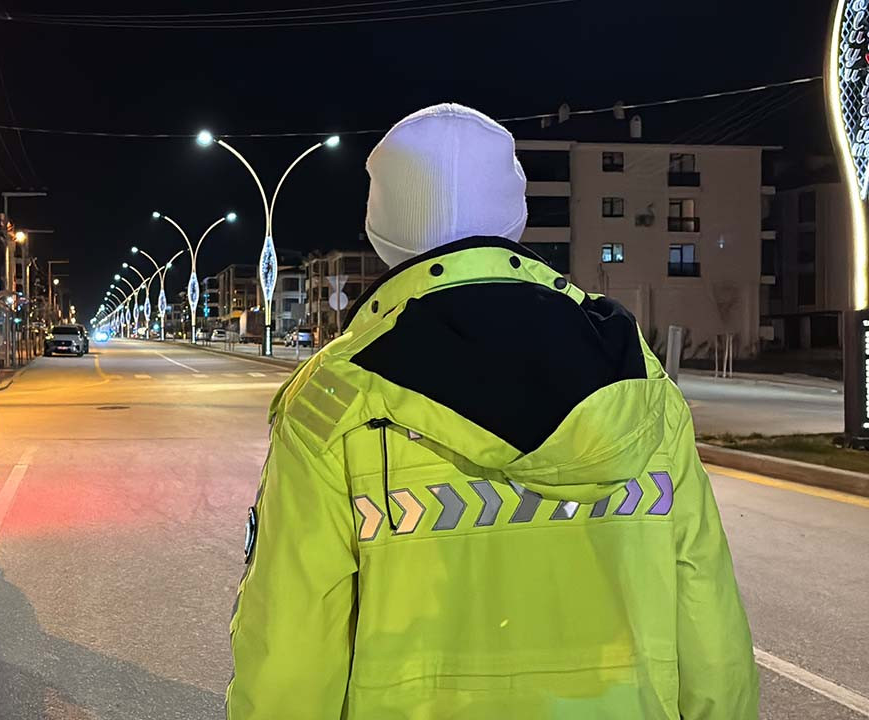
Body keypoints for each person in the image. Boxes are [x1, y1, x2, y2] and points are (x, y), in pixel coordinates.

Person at [226, 104, 758, 719]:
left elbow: (290, 655)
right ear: (515, 216)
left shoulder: (334, 400)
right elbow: (709, 624)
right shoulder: (638, 377)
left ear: (380, 227)